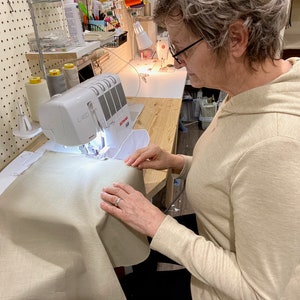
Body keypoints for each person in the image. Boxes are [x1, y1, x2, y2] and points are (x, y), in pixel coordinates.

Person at [100, 0, 300, 299]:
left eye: (183, 48)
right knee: (135, 244)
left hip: (225, 290)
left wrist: (159, 225)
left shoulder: (275, 144)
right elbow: (235, 172)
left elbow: (261, 292)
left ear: (235, 39)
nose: (178, 61)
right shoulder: (251, 91)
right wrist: (179, 161)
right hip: (217, 236)